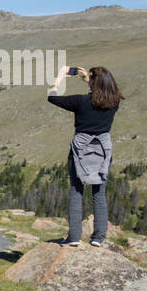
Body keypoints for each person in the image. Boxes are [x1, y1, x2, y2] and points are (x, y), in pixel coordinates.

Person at [50, 65, 122, 247]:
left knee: (76, 191)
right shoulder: (115, 102)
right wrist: (88, 80)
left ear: (94, 83)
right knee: (99, 194)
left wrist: (59, 77)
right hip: (103, 151)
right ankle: (98, 238)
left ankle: (74, 238)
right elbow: (101, 94)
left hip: (79, 150)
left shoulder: (80, 102)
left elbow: (52, 97)